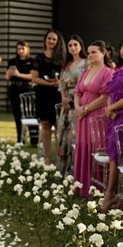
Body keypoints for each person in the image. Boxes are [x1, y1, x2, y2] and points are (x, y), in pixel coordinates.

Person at [73, 40, 113, 198]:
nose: (90, 55)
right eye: (88, 52)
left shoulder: (107, 72)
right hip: (82, 116)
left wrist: (86, 109)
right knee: (82, 146)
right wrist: (78, 108)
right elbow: (77, 92)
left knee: (93, 148)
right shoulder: (85, 71)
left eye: (94, 52)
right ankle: (80, 187)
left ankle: (94, 190)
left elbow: (104, 97)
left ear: (103, 53)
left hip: (96, 116)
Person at [31, 29, 66, 165]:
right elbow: (34, 78)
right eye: (49, 38)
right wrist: (49, 84)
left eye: (54, 39)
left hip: (58, 95)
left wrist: (59, 83)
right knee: (45, 125)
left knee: (59, 126)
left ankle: (60, 156)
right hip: (43, 95)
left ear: (58, 42)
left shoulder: (62, 58)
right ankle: (46, 157)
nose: (51, 41)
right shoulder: (39, 57)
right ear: (45, 40)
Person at [56, 35, 87, 176]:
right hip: (66, 103)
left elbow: (86, 84)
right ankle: (63, 169)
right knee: (63, 134)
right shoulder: (66, 64)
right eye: (70, 45)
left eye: (75, 45)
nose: (73, 48)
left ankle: (74, 170)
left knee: (74, 135)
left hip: (79, 100)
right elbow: (61, 83)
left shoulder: (86, 63)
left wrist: (72, 98)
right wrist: (63, 98)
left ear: (81, 46)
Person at [4, 40, 36, 144]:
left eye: (22, 48)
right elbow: (6, 77)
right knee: (17, 115)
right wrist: (9, 74)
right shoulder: (12, 61)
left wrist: (18, 74)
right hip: (14, 89)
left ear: (27, 49)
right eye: (18, 49)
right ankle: (20, 139)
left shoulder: (32, 61)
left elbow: (32, 76)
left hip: (27, 90)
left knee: (30, 114)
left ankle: (34, 139)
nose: (20, 51)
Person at [101, 67, 123, 211]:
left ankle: (111, 194)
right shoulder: (120, 71)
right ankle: (111, 194)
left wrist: (111, 108)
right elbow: (111, 92)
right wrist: (110, 109)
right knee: (114, 156)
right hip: (116, 117)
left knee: (118, 156)